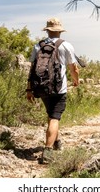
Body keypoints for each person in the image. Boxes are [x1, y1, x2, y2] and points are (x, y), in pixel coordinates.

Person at [26, 18, 80, 164]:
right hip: (58, 88)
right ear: (60, 31)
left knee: (51, 114)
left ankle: (57, 142)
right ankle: (48, 151)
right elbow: (73, 68)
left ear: (47, 30)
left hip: (41, 87)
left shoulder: (38, 46)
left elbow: (32, 68)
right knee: (55, 118)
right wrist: (76, 80)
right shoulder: (66, 45)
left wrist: (29, 89)